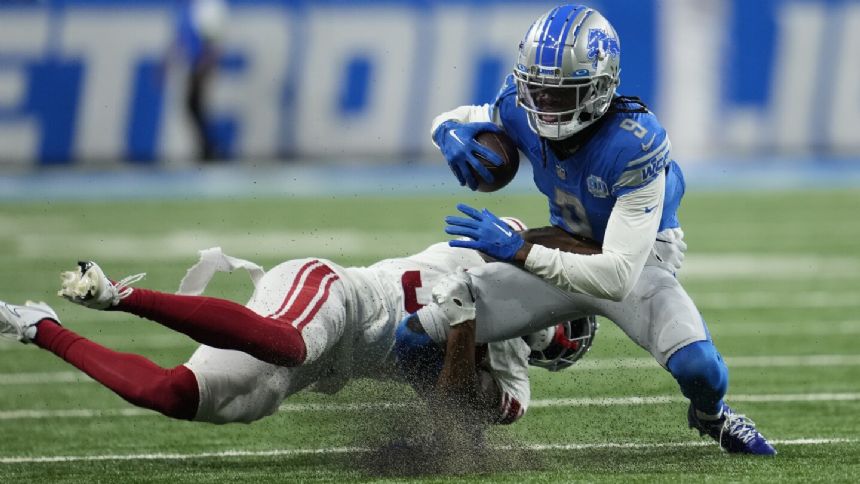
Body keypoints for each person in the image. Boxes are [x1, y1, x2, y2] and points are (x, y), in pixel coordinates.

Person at [425, 4, 775, 455]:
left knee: (702, 370)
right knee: (430, 320)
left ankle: (714, 416)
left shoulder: (633, 142)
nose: (544, 105)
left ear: (601, 87)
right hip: (564, 245)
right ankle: (449, 420)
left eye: (561, 94)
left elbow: (616, 276)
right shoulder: (518, 103)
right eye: (538, 90)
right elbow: (466, 113)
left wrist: (518, 250)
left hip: (638, 265)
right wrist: (449, 132)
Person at [0, 224, 592, 428]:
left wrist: (466, 332)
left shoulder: (513, 381)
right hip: (339, 293)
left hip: (329, 366)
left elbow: (451, 412)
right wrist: (576, 259)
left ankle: (37, 326)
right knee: (287, 341)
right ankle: (117, 295)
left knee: (174, 395)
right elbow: (544, 236)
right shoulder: (510, 251)